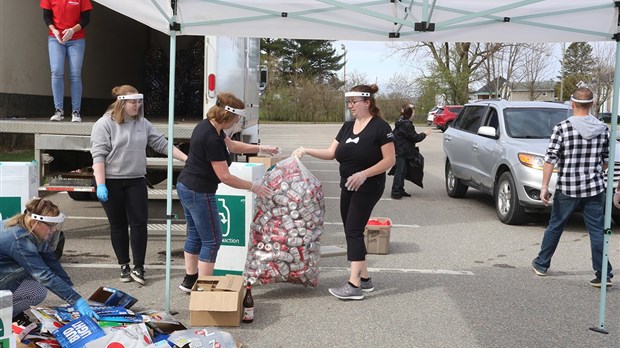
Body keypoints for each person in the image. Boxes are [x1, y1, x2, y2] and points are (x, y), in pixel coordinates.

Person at [292, 84, 395, 300]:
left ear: (367, 102)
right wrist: (306, 150)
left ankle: (354, 285)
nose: (350, 106)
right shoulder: (348, 126)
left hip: (368, 185)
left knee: (354, 230)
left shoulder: (380, 127)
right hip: (347, 184)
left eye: (354, 102)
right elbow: (331, 153)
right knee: (351, 230)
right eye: (349, 102)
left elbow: (389, 160)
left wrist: (364, 174)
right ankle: (365, 279)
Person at [177, 92, 279, 293]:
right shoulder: (211, 139)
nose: (238, 122)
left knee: (196, 235)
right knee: (212, 240)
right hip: (199, 191)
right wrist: (253, 187)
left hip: (186, 186)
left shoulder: (209, 126)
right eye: (238, 119)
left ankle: (190, 281)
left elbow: (232, 145)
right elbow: (225, 176)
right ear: (228, 116)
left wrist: (261, 148)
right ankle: (205, 290)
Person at [90, 85, 188, 286]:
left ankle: (139, 266)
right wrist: (101, 184)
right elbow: (98, 155)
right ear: (122, 102)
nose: (138, 105)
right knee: (118, 224)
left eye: (139, 101)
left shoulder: (142, 123)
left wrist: (187, 159)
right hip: (111, 180)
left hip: (135, 179)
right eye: (133, 102)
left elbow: (161, 144)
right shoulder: (104, 124)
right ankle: (123, 265)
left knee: (139, 224)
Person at [532, 87, 613, 288]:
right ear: (593, 104)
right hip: (594, 188)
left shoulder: (562, 128)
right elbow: (605, 161)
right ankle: (603, 274)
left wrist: (544, 187)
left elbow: (550, 159)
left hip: (567, 187)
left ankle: (542, 264)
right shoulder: (603, 129)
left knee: (556, 225)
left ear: (572, 104)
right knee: (597, 231)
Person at [0, 198, 99, 323]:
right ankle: (5, 318)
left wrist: (71, 290)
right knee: (37, 291)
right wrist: (76, 300)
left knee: (37, 281)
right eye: (51, 226)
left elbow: (51, 261)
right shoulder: (20, 240)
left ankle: (11, 314)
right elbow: (44, 275)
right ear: (36, 222)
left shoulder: (27, 227)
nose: (54, 230)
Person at [41, 0, 93, 123]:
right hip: (56, 38)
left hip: (76, 39)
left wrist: (72, 30)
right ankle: (58, 110)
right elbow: (46, 16)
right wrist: (53, 30)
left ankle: (76, 111)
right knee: (56, 71)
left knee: (75, 73)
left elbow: (86, 19)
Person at [390, 104, 432, 199]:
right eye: (413, 111)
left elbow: (403, 137)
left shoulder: (400, 122)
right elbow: (414, 137)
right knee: (400, 171)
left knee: (403, 170)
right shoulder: (406, 124)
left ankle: (400, 189)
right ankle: (395, 191)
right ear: (410, 113)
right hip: (401, 151)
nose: (414, 113)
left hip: (402, 150)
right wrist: (424, 134)